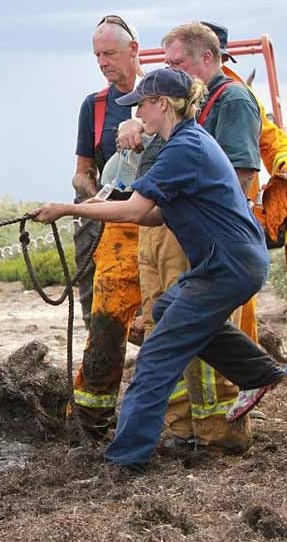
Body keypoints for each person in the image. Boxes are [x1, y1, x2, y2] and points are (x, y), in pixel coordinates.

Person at [32, 67, 286, 469]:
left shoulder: (185, 148)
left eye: (143, 107)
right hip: (226, 261)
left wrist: (67, 208)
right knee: (168, 310)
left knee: (157, 355)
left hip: (228, 265)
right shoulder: (183, 144)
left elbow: (135, 208)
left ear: (162, 105)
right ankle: (259, 371)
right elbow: (152, 215)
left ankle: (125, 459)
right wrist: (95, 207)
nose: (138, 116)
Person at [119, 22, 267, 452]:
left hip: (209, 244)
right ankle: (184, 428)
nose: (172, 69)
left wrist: (201, 234)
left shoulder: (232, 100)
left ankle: (219, 435)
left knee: (170, 344)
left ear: (207, 57)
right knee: (164, 317)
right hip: (178, 231)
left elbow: (237, 178)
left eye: (176, 62)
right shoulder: (182, 124)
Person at [69, 14, 146, 439]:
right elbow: (81, 170)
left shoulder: (165, 95)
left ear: (134, 50)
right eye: (97, 55)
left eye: (110, 54)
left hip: (157, 222)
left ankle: (173, 411)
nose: (103, 62)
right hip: (108, 221)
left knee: (162, 316)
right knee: (102, 320)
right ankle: (93, 419)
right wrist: (89, 190)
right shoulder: (94, 106)